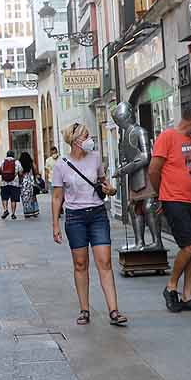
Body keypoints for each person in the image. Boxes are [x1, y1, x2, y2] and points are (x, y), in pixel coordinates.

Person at [52, 123, 127, 327]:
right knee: (80, 264)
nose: (89, 139)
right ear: (75, 140)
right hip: (75, 218)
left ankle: (114, 310)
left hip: (97, 215)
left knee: (104, 262)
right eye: (86, 136)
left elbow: (103, 183)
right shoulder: (61, 165)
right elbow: (57, 197)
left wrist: (110, 190)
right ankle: (84, 310)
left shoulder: (95, 159)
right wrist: (55, 226)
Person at [149, 103, 191, 314]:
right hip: (174, 199)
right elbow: (154, 169)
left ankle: (187, 295)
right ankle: (171, 287)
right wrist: (160, 195)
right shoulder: (167, 136)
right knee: (190, 246)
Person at [19, 152, 43, 218]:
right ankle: (35, 211)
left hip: (24, 183)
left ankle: (27, 212)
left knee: (25, 198)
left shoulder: (20, 164)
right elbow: (36, 171)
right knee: (33, 197)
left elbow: (20, 173)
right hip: (31, 182)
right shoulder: (32, 163)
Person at [0, 153, 21, 219]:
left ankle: (5, 210)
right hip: (14, 183)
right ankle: (13, 214)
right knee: (13, 199)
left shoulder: (2, 161)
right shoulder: (17, 162)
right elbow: (21, 171)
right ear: (13, 155)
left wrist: (2, 174)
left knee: (4, 197)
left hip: (4, 183)